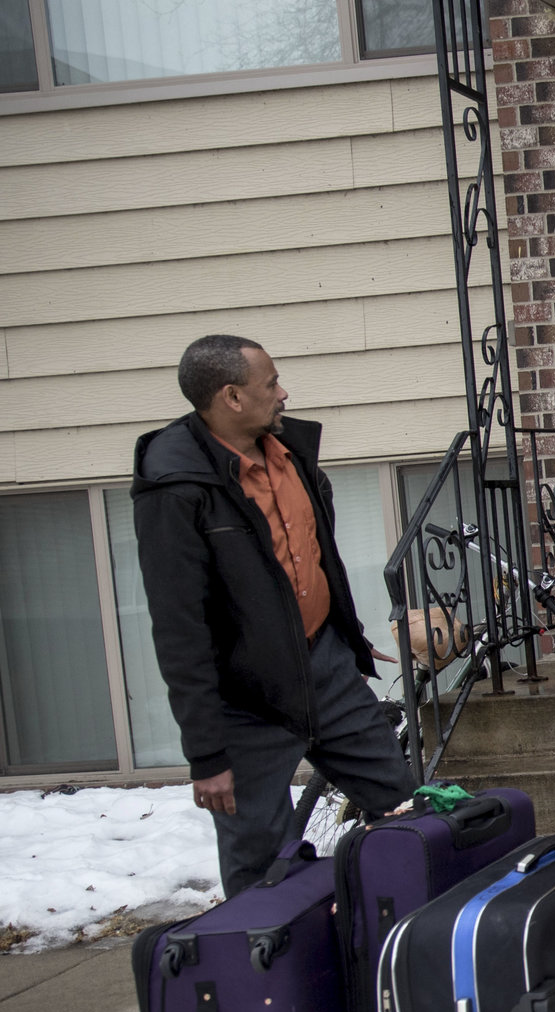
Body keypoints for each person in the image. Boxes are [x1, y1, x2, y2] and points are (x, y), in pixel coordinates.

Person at [132, 336, 415, 900]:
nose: (283, 394)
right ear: (232, 397)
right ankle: (274, 979)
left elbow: (312, 559)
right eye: (270, 384)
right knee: (262, 869)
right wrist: (206, 754)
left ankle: (405, 949)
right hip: (246, 701)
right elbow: (180, 628)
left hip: (326, 667)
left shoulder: (291, 455)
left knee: (407, 810)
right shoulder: (177, 487)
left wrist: (347, 641)